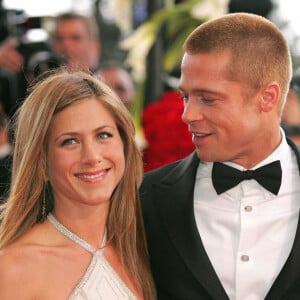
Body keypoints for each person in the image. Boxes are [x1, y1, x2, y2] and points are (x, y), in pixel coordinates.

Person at [140, 12, 300, 299]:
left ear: (268, 97)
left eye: (207, 99)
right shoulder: (144, 199)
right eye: (186, 96)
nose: (187, 115)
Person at [0, 69, 155, 299]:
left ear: (124, 145)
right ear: (41, 161)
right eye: (69, 141)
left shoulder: (141, 249)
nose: (92, 157)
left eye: (103, 135)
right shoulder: (13, 267)